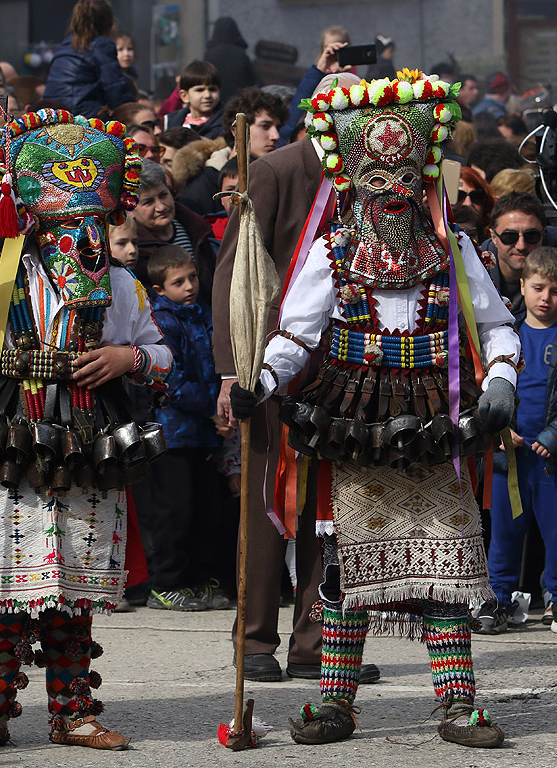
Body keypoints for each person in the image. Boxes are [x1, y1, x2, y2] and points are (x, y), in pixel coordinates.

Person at [230, 69, 519, 748]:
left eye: (404, 180)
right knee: (344, 563)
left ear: (423, 178)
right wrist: (262, 382)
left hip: (437, 419)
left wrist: (503, 378)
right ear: (354, 180)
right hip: (352, 422)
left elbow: (499, 326)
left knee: (445, 565)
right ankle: (335, 701)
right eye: (376, 181)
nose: (391, 196)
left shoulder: (453, 250)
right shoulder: (331, 255)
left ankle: (457, 703)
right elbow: (296, 335)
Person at [0, 109, 172, 752]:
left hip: (87, 443)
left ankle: (72, 714)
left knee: (72, 590)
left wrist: (126, 359)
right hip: (11, 440)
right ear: (35, 221)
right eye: (62, 223)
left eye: (88, 223)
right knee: (3, 589)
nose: (75, 237)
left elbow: (162, 359)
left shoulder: (120, 286)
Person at [213, 72, 362, 686]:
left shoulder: (373, 174)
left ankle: (316, 642)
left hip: (348, 365)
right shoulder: (274, 170)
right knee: (267, 502)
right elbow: (231, 272)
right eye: (344, 108)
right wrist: (230, 371)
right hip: (270, 362)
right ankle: (254, 639)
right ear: (317, 109)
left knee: (329, 512)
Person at [477, 247, 557, 636]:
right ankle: (498, 601)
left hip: (554, 458)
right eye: (538, 288)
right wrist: (496, 429)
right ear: (522, 286)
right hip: (507, 457)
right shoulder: (501, 332)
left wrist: (555, 435)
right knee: (504, 536)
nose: (546, 298)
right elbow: (482, 385)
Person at [146, 245, 228, 611]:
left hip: (206, 431)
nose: (189, 286)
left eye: (192, 277)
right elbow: (171, 379)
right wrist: (212, 408)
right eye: (178, 282)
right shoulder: (161, 321)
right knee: (175, 510)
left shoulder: (204, 315)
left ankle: (197, 581)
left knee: (206, 509)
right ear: (160, 289)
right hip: (174, 432)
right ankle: (166, 583)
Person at [131, 159, 215, 306]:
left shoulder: (197, 229)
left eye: (163, 195)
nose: (161, 207)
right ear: (130, 209)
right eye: (148, 202)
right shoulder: (133, 251)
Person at [44, 0, 133, 118]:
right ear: (110, 26)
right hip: (82, 115)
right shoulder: (102, 45)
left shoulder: (65, 45)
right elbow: (115, 89)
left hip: (52, 114)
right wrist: (134, 111)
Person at [484, 191, 546, 310]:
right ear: (493, 237)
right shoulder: (472, 271)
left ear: (543, 234)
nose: (521, 246)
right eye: (509, 237)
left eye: (531, 236)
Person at [203, 16, 257, 105]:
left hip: (215, 103)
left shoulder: (209, 55)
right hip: (238, 102)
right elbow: (252, 79)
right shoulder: (241, 54)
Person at [163, 60, 224, 139]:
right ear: (184, 96)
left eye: (212, 89)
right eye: (200, 90)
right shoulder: (172, 122)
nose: (207, 95)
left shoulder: (227, 123)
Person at [221, 87, 285, 160]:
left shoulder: (280, 169)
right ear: (238, 131)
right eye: (265, 126)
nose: (276, 136)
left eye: (278, 128)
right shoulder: (211, 170)